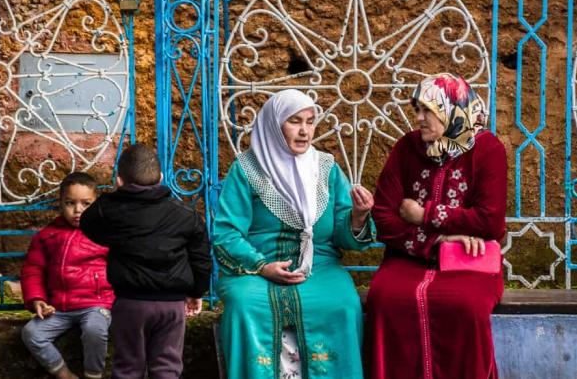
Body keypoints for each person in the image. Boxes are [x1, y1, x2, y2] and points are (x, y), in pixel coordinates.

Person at [213, 89, 375, 379]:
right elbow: (227, 234)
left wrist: (358, 217)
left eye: (310, 122)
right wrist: (262, 266)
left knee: (343, 304)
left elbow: (342, 234)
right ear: (275, 126)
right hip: (257, 271)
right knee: (244, 305)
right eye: (294, 122)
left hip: (320, 268)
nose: (304, 131)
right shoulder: (247, 170)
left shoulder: (326, 168)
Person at [367, 73, 507, 379]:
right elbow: (384, 216)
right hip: (407, 257)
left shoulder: (488, 150)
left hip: (470, 260)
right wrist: (437, 243)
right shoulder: (406, 148)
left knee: (465, 306)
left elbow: (490, 221)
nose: (418, 118)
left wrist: (425, 214)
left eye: (427, 110)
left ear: (452, 109)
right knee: (384, 300)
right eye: (417, 110)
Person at [80, 144, 212, 379]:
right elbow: (200, 257)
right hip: (171, 305)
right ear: (161, 178)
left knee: (128, 367)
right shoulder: (185, 215)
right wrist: (197, 291)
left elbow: (88, 222)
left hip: (130, 303)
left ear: (119, 181)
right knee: (168, 367)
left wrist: (115, 197)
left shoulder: (111, 212)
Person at [21, 172, 114, 379]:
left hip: (95, 305)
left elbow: (121, 267)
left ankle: (93, 374)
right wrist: (37, 300)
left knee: (94, 330)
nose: (78, 210)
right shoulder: (47, 235)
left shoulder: (105, 234)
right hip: (59, 308)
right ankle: (65, 375)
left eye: (86, 203)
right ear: (60, 203)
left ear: (96, 204)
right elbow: (33, 270)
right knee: (31, 333)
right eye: (70, 203)